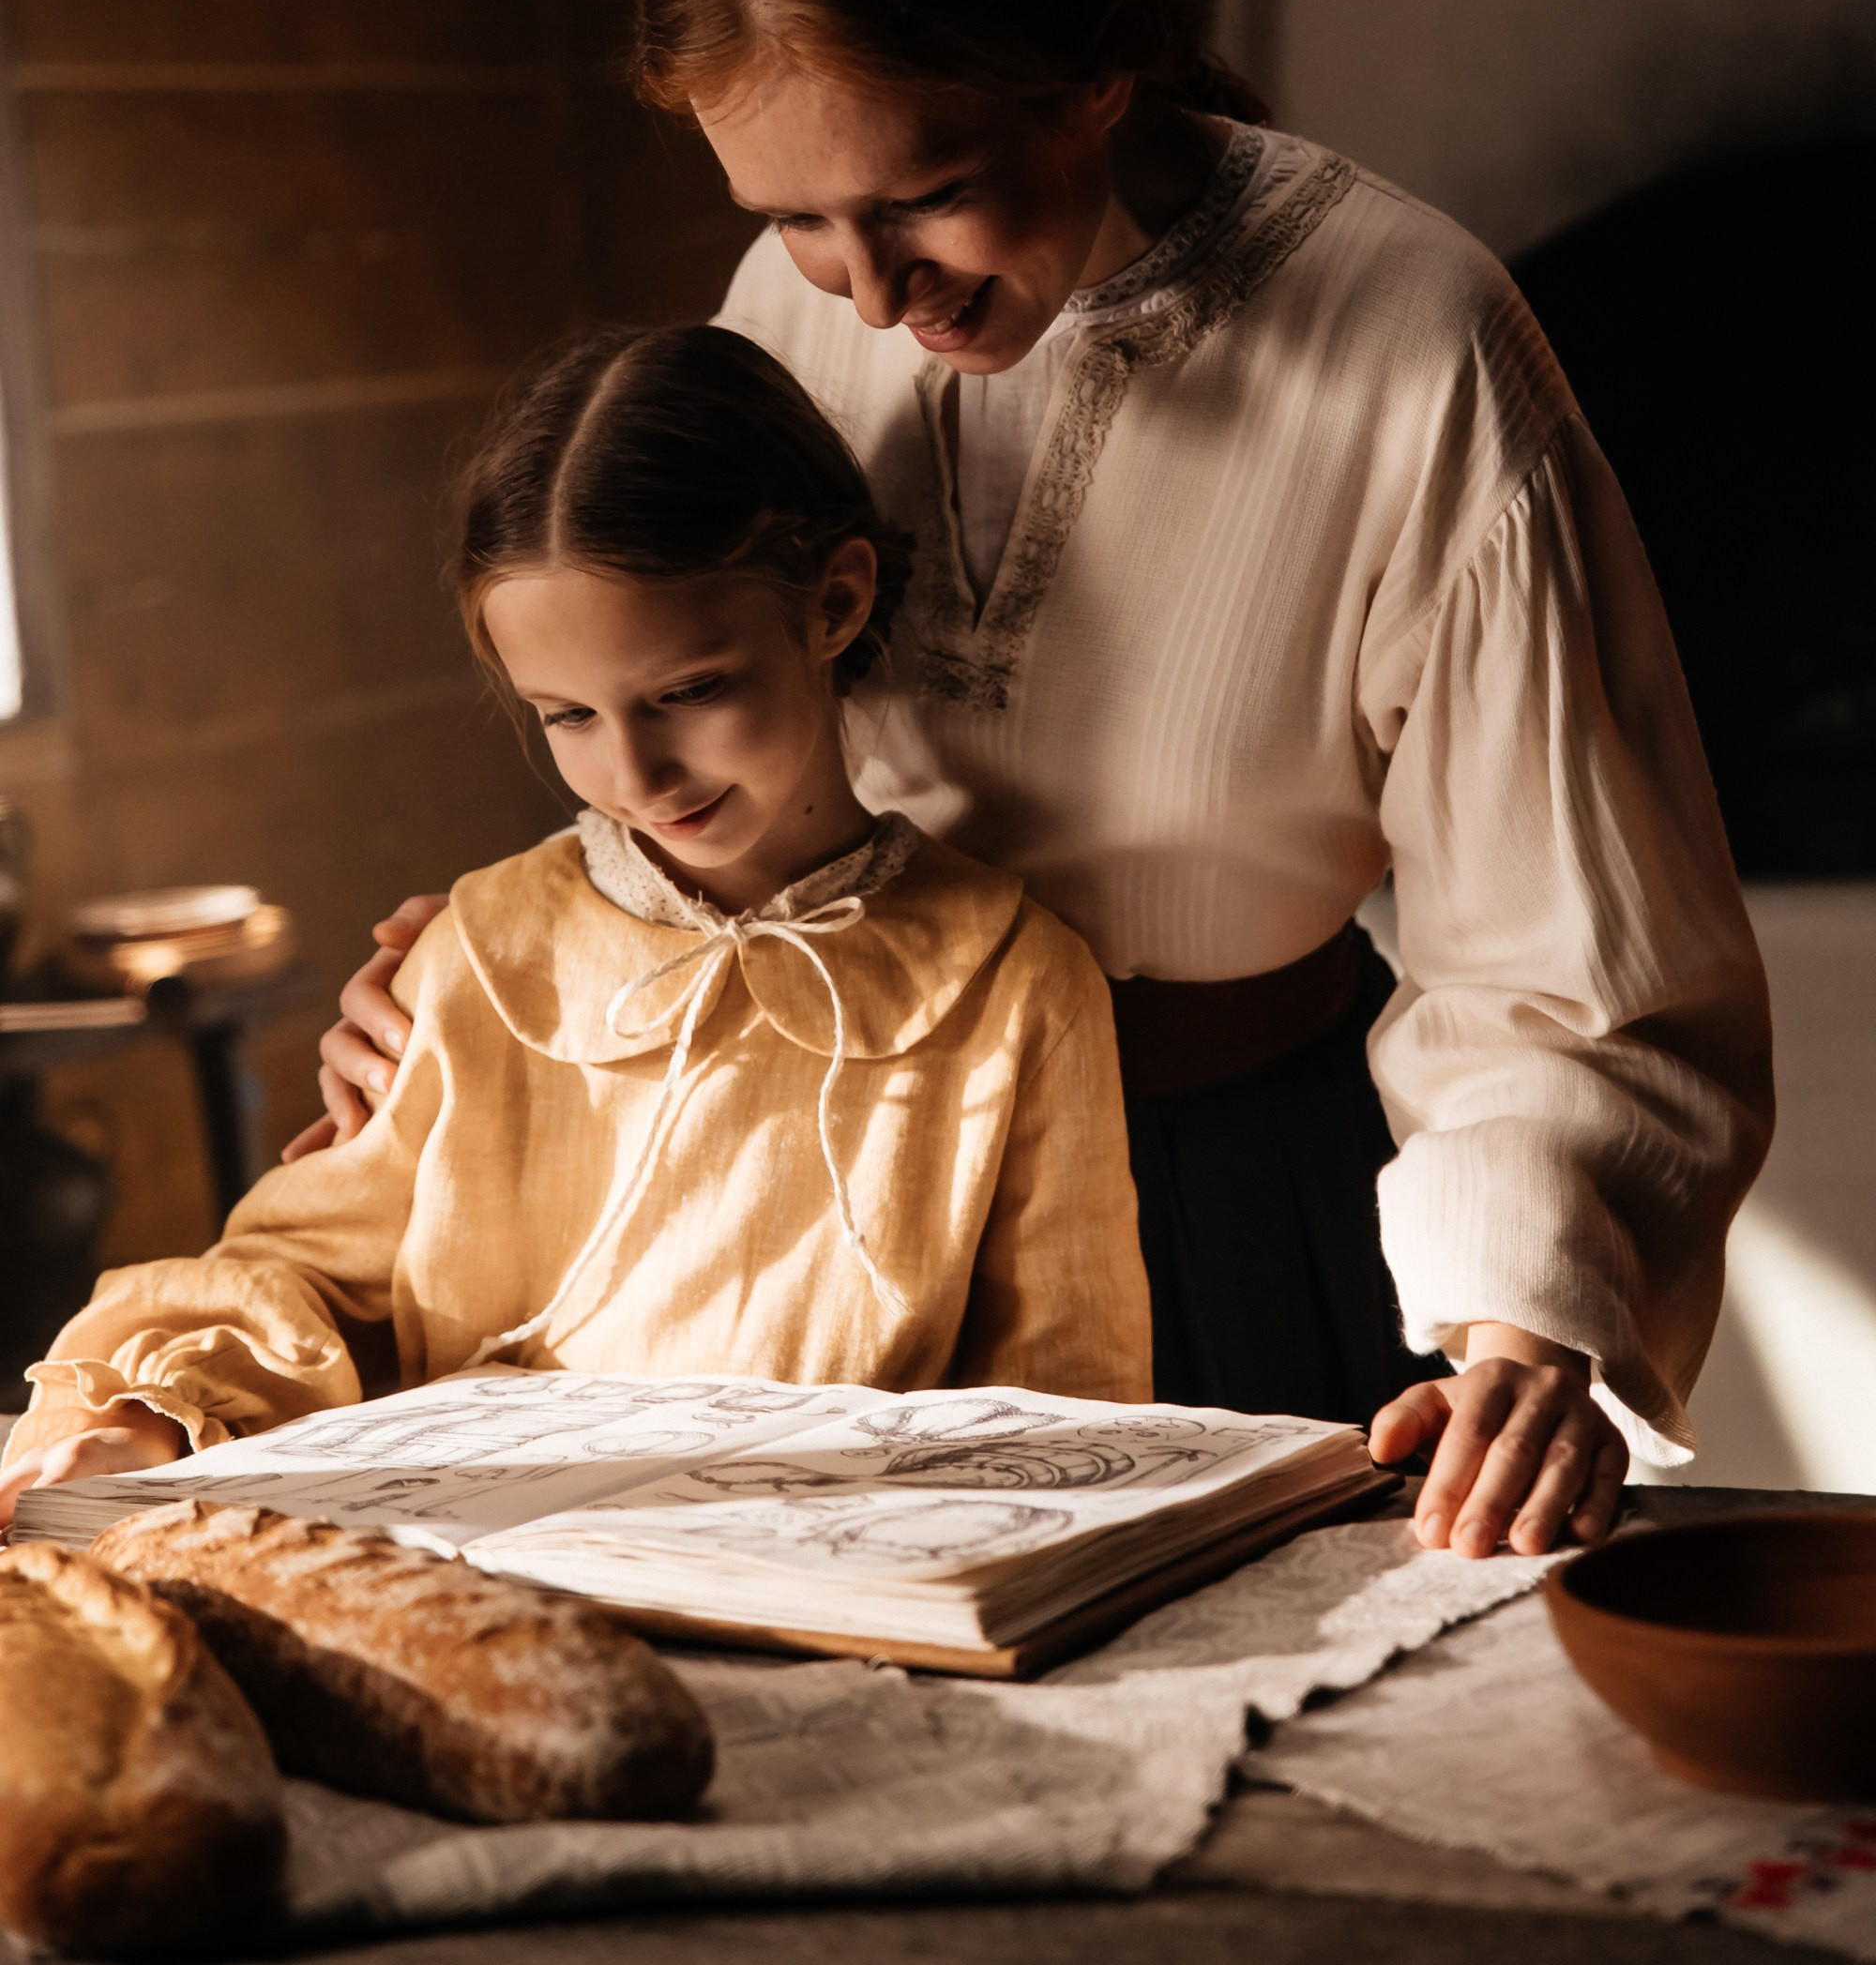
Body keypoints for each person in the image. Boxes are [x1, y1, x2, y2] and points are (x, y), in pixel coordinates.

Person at [298, 0, 1774, 1563]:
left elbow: (1560, 951)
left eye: (922, 195)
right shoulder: (793, 309)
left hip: (1222, 1197)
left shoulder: (1415, 345)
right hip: (822, 1173)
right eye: (787, 217)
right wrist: (515, 960)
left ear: (1100, 68)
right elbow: (706, 707)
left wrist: (1527, 1318)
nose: (860, 289)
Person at [0, 325, 1151, 1523]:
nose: (640, 774)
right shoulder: (480, 954)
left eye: (689, 692)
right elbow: (290, 1272)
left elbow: (1072, 1399)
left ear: (836, 603)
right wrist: (146, 1413)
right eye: (567, 717)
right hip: (502, 1572)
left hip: (854, 1586)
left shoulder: (1013, 978)